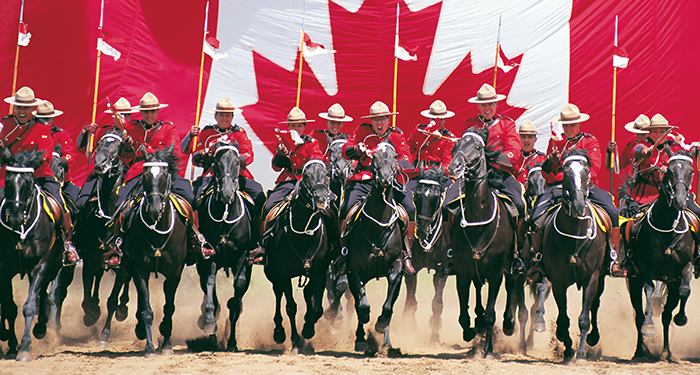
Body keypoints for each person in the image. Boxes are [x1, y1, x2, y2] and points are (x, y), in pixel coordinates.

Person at [104, 92, 210, 266]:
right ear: (142, 113)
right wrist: (126, 144)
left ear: (157, 111)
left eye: (153, 111)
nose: (150, 115)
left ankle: (195, 239)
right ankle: (117, 243)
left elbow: (175, 151)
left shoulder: (169, 128)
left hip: (165, 173)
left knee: (190, 198)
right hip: (139, 173)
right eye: (146, 112)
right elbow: (124, 156)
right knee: (119, 202)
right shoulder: (132, 128)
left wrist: (149, 153)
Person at [529, 103, 624, 277]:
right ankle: (538, 259)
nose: (569, 128)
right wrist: (552, 160)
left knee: (613, 212)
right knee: (535, 216)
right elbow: (547, 173)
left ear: (579, 124)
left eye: (572, 124)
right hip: (559, 187)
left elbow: (594, 168)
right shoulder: (555, 142)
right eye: (566, 125)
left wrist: (581, 182)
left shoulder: (590, 141)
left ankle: (613, 257)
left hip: (585, 185)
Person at [0, 87, 79, 266]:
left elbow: (46, 154)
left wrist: (27, 163)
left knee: (59, 202)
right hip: (9, 178)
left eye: (26, 108)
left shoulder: (41, 127)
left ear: (32, 110)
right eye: (19, 107)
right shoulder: (7, 125)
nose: (22, 111)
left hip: (39, 175)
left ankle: (68, 244)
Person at [340, 101, 416, 274]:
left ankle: (406, 253)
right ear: (371, 121)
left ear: (388, 120)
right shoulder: (362, 131)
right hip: (364, 180)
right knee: (346, 208)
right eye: (375, 120)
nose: (379, 124)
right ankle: (344, 252)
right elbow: (346, 150)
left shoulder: (396, 135)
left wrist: (396, 167)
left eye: (382, 119)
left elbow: (406, 157)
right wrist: (357, 150)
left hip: (389, 182)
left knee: (410, 209)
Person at [257, 107, 325, 261]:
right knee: (268, 206)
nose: (296, 128)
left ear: (304, 127)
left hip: (308, 182)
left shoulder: (312, 142)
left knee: (330, 207)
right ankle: (263, 244)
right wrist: (281, 155)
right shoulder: (283, 141)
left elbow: (317, 160)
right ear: (288, 127)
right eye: (293, 125)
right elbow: (275, 167)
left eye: (299, 125)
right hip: (288, 180)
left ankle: (335, 246)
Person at [183, 96, 265, 210]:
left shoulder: (239, 133)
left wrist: (234, 157)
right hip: (211, 175)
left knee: (259, 195)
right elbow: (195, 160)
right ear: (215, 116)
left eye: (227, 115)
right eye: (221, 115)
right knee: (192, 197)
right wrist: (204, 154)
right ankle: (194, 226)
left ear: (232, 116)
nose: (224, 119)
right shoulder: (207, 132)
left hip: (236, 175)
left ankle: (256, 227)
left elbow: (248, 155)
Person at [33, 101, 80, 206]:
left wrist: (58, 160)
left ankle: (67, 222)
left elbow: (71, 155)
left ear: (52, 119)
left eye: (46, 119)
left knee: (76, 202)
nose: (43, 122)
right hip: (35, 176)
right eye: (40, 119)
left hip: (61, 179)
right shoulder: (32, 133)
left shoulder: (61, 134)